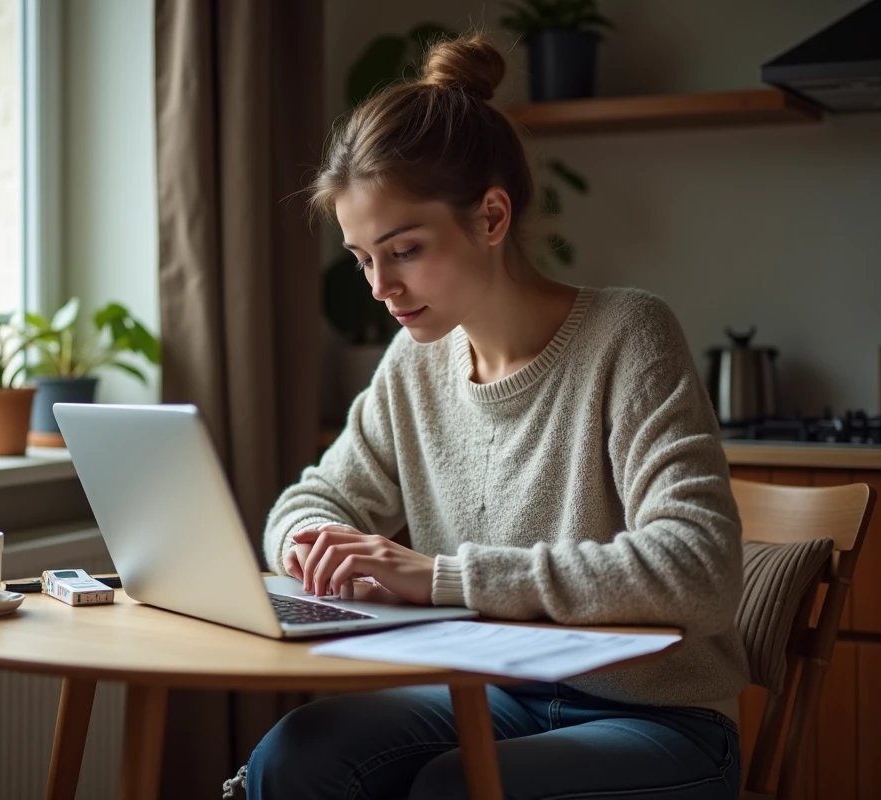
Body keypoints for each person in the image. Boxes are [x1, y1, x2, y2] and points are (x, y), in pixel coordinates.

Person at [228, 33, 747, 800]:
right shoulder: (415, 363)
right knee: (292, 757)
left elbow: (700, 569)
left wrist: (441, 578)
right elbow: (308, 503)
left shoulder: (628, 336)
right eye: (363, 257)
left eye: (404, 250)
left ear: (492, 216)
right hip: (494, 698)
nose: (379, 287)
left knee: (453, 788)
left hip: (659, 719)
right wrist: (317, 548)